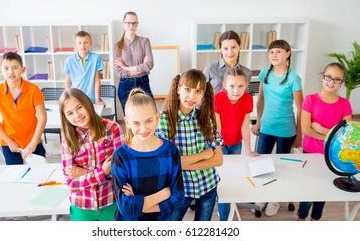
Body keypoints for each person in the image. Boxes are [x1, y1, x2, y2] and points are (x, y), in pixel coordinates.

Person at [156, 69, 223, 221]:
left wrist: (182, 162)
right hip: (180, 189)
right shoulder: (165, 119)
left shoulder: (205, 118)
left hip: (208, 185)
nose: (192, 96)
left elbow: (218, 160)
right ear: (178, 89)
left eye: (198, 91)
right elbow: (167, 164)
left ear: (203, 94)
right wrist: (203, 156)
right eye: (187, 89)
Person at [111, 88, 184, 221]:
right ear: (127, 123)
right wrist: (163, 194)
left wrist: (138, 204)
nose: (143, 128)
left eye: (149, 121)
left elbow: (178, 197)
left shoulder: (170, 151)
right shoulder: (120, 156)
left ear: (157, 118)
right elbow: (125, 207)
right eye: (136, 123)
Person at [251, 39, 303, 216]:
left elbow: (300, 108)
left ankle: (276, 199)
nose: (274, 55)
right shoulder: (265, 72)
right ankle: (263, 195)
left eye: (279, 51)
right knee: (261, 162)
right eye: (271, 52)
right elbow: (261, 99)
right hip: (266, 126)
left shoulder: (294, 78)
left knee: (282, 166)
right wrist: (258, 121)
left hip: (286, 130)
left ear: (288, 53)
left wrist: (299, 134)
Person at [297, 62, 352, 221]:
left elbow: (345, 135)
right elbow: (306, 129)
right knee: (308, 190)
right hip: (310, 153)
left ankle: (316, 219)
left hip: (331, 155)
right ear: (322, 77)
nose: (331, 82)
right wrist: (331, 134)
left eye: (337, 79)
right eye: (328, 77)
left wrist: (321, 130)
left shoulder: (344, 104)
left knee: (323, 190)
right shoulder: (310, 99)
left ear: (341, 83)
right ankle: (301, 217)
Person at [59, 88, 123, 221]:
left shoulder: (112, 129)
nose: (77, 115)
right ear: (65, 117)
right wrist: (102, 171)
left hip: (111, 202)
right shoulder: (68, 139)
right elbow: (72, 184)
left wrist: (84, 173)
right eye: (70, 113)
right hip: (82, 206)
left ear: (88, 104)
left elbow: (121, 172)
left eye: (79, 107)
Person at [215, 68, 259, 221]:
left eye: (240, 86)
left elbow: (245, 126)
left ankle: (227, 203)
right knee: (222, 178)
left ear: (246, 85)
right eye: (232, 86)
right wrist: (216, 150)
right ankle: (223, 214)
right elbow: (217, 128)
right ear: (224, 85)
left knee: (232, 177)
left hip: (236, 143)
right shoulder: (218, 98)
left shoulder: (247, 99)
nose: (236, 90)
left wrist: (249, 151)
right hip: (221, 144)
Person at [0, 52, 47, 165]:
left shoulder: (34, 89)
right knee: (15, 175)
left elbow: (42, 117)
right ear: (1, 71)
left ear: (22, 69)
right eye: (6, 68)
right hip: (9, 142)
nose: (11, 72)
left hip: (33, 140)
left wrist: (34, 142)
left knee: (40, 173)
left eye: (15, 67)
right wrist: (9, 141)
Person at [113, 11, 154, 113]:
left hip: (143, 83)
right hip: (125, 84)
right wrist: (142, 68)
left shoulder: (144, 41)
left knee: (150, 113)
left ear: (137, 24)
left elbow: (149, 65)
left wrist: (126, 67)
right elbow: (119, 72)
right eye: (128, 23)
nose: (131, 25)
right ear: (124, 24)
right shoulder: (117, 46)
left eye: (134, 23)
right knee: (130, 118)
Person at [64, 31, 104, 105]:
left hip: (91, 98)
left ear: (90, 43)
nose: (82, 46)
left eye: (85, 42)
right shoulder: (69, 61)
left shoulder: (96, 58)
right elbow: (67, 82)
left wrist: (97, 100)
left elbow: (97, 81)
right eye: (79, 43)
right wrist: (67, 99)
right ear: (75, 44)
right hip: (75, 98)